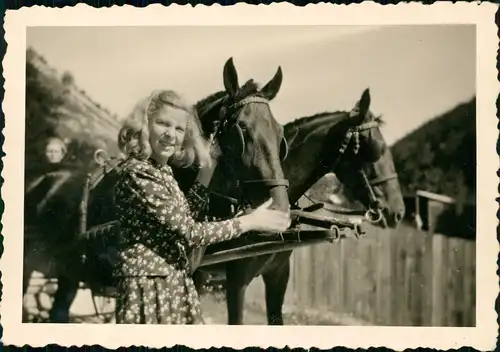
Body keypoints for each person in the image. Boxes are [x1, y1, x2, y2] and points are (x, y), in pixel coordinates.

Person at [114, 89, 290, 324]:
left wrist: (207, 169)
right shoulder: (138, 173)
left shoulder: (160, 171)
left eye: (179, 128)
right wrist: (249, 222)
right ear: (144, 126)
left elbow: (185, 215)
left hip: (173, 283)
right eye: (162, 124)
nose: (170, 135)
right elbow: (190, 232)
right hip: (149, 287)